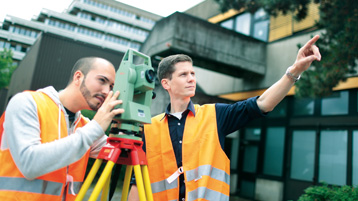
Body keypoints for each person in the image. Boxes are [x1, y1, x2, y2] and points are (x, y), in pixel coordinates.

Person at [128, 35, 321, 201]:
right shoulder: (149, 127)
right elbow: (136, 182)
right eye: (183, 74)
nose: (191, 78)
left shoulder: (215, 115)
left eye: (193, 73)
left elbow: (262, 104)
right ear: (166, 83)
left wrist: (294, 71)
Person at [0, 57, 124, 201]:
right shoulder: (26, 102)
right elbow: (29, 164)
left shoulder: (84, 125)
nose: (107, 91)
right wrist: (95, 127)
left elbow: (121, 152)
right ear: (78, 77)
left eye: (111, 86)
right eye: (102, 80)